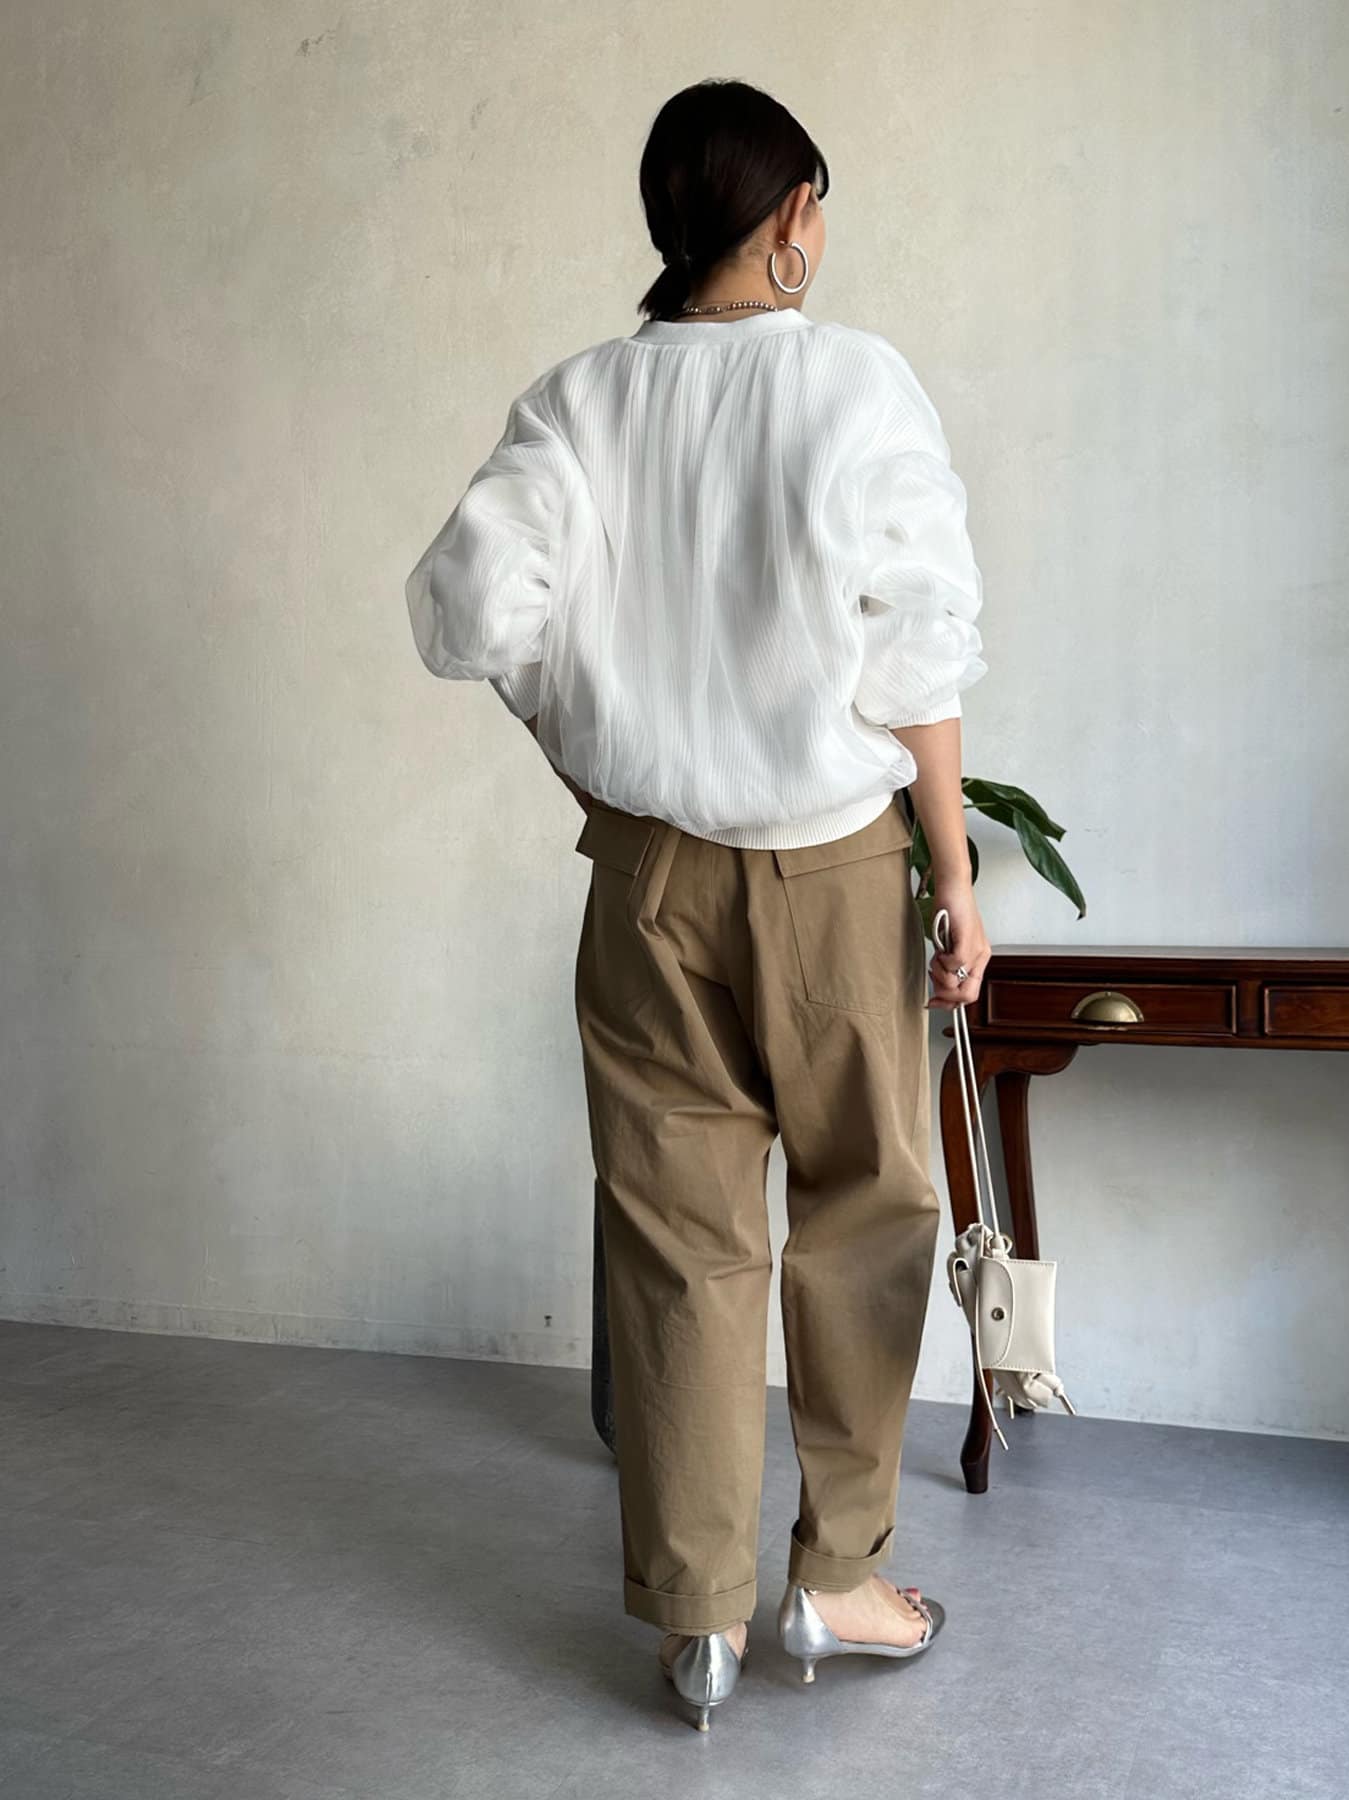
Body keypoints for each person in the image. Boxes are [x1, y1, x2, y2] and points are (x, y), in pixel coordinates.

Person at [404, 77, 992, 1730]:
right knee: (867, 1210)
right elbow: (917, 645)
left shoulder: (578, 401)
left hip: (648, 881)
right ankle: (839, 1578)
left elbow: (477, 609)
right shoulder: (850, 381)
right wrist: (954, 875)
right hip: (832, 867)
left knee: (677, 1239)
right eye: (821, 206)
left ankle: (698, 1620)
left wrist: (591, 766)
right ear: (793, 213)